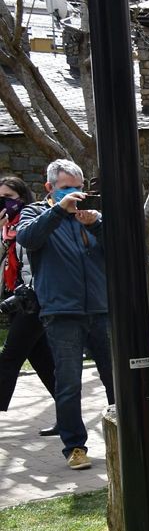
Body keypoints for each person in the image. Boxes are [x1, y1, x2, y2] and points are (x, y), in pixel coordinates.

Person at [15, 160, 113, 470]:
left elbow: (122, 249)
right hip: (61, 313)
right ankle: (74, 446)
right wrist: (59, 211)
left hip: (99, 309)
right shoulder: (34, 213)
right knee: (69, 383)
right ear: (49, 188)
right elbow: (27, 238)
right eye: (65, 188)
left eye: (78, 188)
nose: (73, 194)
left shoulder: (92, 217)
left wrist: (96, 223)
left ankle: (124, 434)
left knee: (116, 378)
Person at [0, 175, 57, 433]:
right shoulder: (4, 227)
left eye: (8, 198)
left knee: (9, 358)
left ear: (21, 198)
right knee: (43, 360)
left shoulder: (31, 222)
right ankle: (70, 415)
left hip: (34, 301)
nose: (3, 203)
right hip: (16, 300)